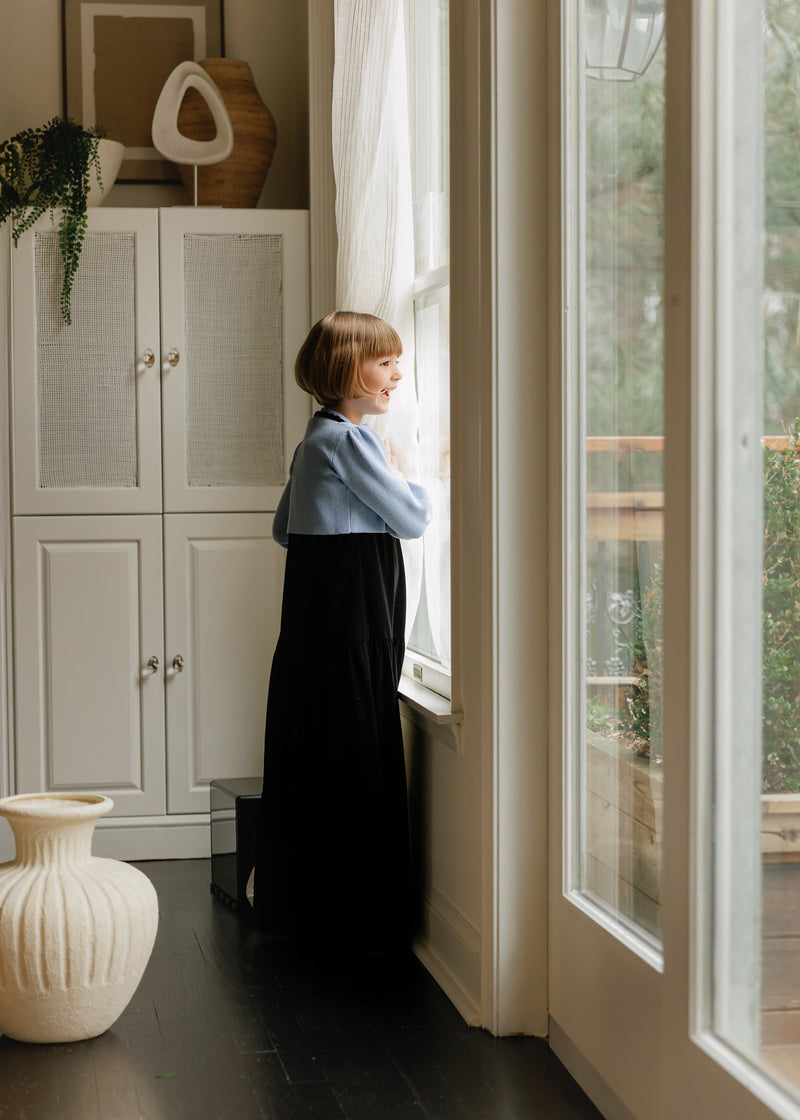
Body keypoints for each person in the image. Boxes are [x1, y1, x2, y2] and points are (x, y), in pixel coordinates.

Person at [253, 310, 432, 954]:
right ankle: (361, 912)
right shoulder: (352, 442)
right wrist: (400, 465)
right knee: (357, 743)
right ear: (346, 369)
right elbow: (411, 517)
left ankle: (306, 902)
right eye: (384, 362)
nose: (396, 373)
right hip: (354, 610)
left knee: (317, 741)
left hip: (315, 617)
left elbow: (283, 529)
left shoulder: (314, 440)